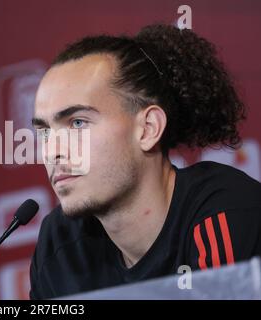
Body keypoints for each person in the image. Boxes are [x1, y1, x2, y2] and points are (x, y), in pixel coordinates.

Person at [29, 24, 261, 299]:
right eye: (44, 132)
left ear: (148, 128)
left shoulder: (225, 211)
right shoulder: (60, 242)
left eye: (78, 123)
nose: (53, 151)